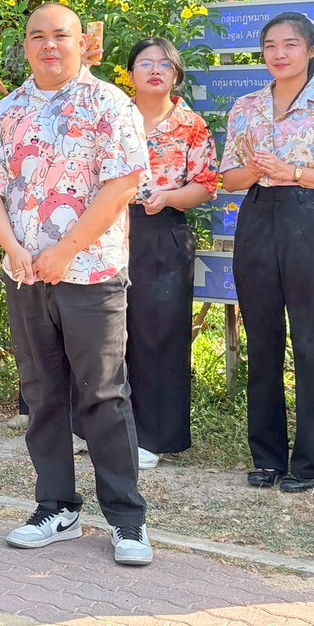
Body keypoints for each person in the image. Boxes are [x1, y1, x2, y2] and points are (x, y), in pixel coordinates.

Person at [0, 4, 154, 566]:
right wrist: (16, 250)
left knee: (103, 395)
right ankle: (56, 507)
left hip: (91, 274)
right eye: (37, 36)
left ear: (82, 43)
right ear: (25, 45)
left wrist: (64, 250)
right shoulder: (7, 110)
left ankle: (126, 519)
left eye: (60, 36)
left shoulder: (109, 105)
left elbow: (122, 184)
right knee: (42, 394)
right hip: (24, 275)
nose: (49, 45)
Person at [219, 11, 314, 492]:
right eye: (270, 46)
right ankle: (266, 457)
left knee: (310, 342)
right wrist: (259, 168)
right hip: (257, 216)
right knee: (262, 342)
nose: (279, 54)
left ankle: (309, 461)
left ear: (311, 51)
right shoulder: (244, 107)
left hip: (308, 218)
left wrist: (294, 172)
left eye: (289, 45)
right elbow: (228, 180)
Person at [122, 37, 218, 466]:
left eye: (165, 64)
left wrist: (171, 196)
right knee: (105, 331)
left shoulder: (191, 125)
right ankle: (99, 426)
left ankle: (153, 437)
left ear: (176, 75)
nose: (155, 70)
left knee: (159, 333)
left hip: (162, 229)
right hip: (106, 231)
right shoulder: (112, 115)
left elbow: (206, 184)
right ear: (131, 73)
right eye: (145, 63)